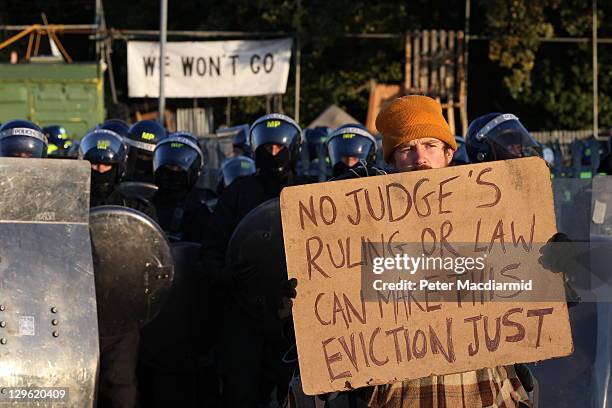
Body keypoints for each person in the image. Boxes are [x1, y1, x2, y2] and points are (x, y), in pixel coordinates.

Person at [200, 112, 306, 408]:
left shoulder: (308, 191)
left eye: (279, 148)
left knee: (296, 394)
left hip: (298, 316)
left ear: (293, 149)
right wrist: (226, 276)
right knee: (241, 393)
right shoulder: (237, 193)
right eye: (266, 148)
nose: (273, 154)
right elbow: (211, 250)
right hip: (243, 313)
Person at [79, 128, 156, 216]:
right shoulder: (71, 204)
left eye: (107, 165)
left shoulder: (136, 208)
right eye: (94, 164)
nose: (100, 169)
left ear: (119, 168)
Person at [151, 131, 210, 243]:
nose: (173, 172)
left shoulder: (198, 211)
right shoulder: (144, 203)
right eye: (169, 166)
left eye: (179, 168)